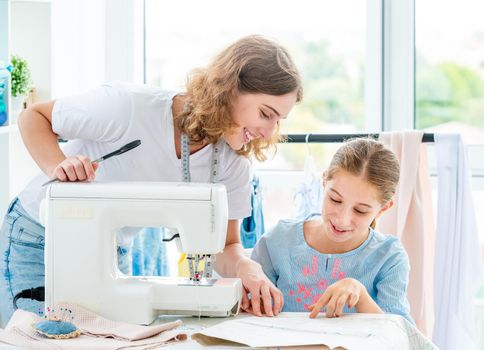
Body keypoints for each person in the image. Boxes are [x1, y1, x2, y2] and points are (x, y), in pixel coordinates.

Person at [0, 35, 303, 325]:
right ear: (230, 88)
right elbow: (34, 117)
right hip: (38, 239)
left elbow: (226, 245)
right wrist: (60, 168)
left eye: (278, 121)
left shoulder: (233, 163)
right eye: (266, 114)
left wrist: (244, 266)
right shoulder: (128, 107)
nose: (268, 131)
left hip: (107, 255)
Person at [251, 138, 414, 323]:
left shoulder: (389, 257)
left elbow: (401, 337)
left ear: (383, 209)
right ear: (323, 182)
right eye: (335, 200)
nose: (342, 220)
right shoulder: (279, 241)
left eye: (360, 211)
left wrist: (361, 295)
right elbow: (246, 313)